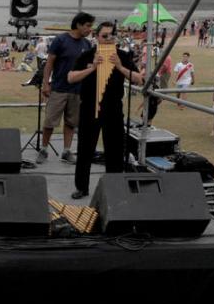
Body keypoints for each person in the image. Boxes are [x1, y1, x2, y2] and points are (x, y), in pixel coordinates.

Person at [67, 22, 143, 199]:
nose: (108, 40)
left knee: (115, 151)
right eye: (105, 36)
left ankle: (114, 188)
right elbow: (70, 78)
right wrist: (92, 68)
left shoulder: (122, 56)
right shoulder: (86, 55)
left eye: (111, 36)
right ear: (96, 37)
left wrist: (120, 67)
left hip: (113, 109)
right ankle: (81, 187)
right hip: (89, 109)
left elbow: (139, 79)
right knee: (85, 150)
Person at [39, 12, 95, 164]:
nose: (90, 29)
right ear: (78, 25)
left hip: (78, 91)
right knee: (50, 122)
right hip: (59, 88)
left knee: (71, 122)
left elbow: (87, 68)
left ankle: (66, 151)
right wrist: (46, 83)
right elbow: (49, 63)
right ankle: (43, 149)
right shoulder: (60, 40)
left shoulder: (87, 44)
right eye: (88, 26)